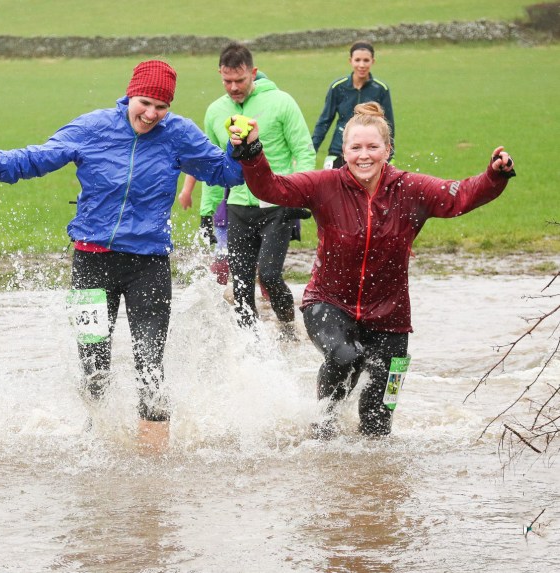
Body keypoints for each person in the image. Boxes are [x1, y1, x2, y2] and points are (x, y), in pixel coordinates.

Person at [0, 60, 244, 449]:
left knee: (150, 364)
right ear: (130, 95)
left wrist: (241, 147)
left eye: (161, 107)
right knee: (93, 366)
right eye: (145, 103)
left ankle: (153, 461)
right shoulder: (93, 127)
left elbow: (227, 173)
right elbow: (38, 158)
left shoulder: (178, 134)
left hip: (148, 265)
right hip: (91, 263)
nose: (151, 114)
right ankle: (98, 449)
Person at [229, 102, 515, 437]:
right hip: (328, 303)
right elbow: (271, 188)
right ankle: (322, 427)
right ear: (344, 151)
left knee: (379, 423)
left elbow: (460, 196)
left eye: (372, 147)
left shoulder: (409, 188)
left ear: (387, 150)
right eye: (355, 148)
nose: (364, 156)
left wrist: (494, 175)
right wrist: (251, 151)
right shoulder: (325, 185)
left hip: (391, 318)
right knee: (345, 356)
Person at [182, 43, 315, 335]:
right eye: (227, 81)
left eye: (240, 80)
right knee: (241, 285)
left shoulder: (282, 102)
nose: (233, 87)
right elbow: (214, 167)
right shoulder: (215, 111)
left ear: (253, 73)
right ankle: (250, 347)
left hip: (277, 205)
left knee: (269, 276)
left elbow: (304, 151)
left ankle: (289, 331)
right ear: (220, 75)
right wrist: (206, 212)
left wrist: (298, 195)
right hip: (238, 208)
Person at [312, 41, 395, 169]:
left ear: (373, 61)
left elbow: (388, 125)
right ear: (350, 61)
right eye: (357, 60)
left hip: (368, 153)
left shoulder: (381, 89)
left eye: (366, 60)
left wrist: (389, 156)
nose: (361, 65)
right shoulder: (338, 87)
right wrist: (311, 151)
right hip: (338, 151)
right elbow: (324, 121)